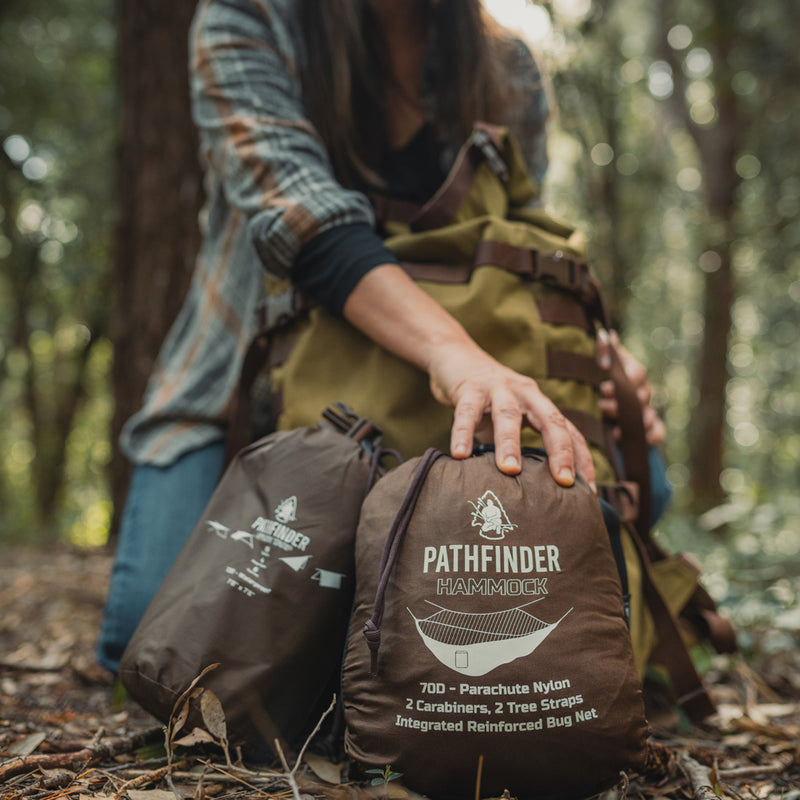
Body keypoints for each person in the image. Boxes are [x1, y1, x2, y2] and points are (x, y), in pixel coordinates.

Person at [96, 0, 667, 675]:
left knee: (647, 484)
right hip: (244, 394)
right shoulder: (250, 19)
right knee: (155, 638)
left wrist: (602, 361)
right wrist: (454, 354)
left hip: (460, 386)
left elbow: (527, 245)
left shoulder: (509, 67)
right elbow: (307, 225)